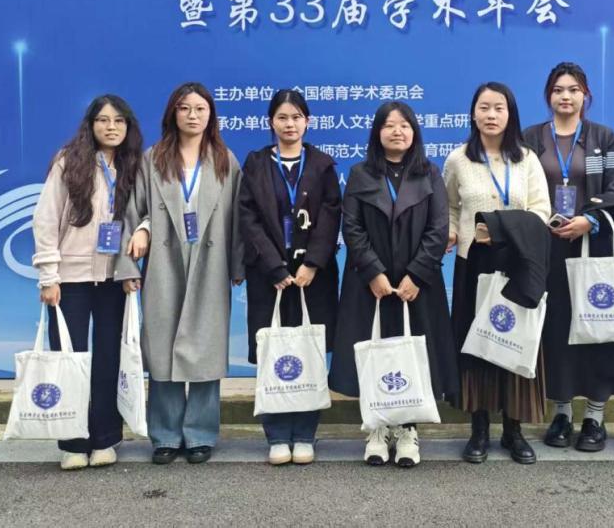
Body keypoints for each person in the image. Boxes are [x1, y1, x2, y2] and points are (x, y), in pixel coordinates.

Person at [115, 82, 244, 465]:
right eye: (185, 108)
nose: (192, 115)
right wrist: (130, 262)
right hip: (164, 261)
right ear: (173, 113)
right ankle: (166, 435)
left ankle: (201, 434)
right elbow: (133, 211)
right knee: (163, 348)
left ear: (211, 115)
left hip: (210, 262)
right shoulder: (153, 159)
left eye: (200, 108)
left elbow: (239, 217)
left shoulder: (224, 159)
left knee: (206, 348)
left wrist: (238, 266)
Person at [329, 101, 457, 468]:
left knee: (412, 357)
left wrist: (416, 274)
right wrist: (374, 272)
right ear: (377, 133)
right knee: (376, 353)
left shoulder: (430, 173)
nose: (397, 131)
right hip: (370, 284)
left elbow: (438, 228)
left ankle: (407, 431)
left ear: (414, 131)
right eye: (389, 125)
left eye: (404, 125)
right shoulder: (360, 174)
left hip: (418, 286)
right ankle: (376, 427)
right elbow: (351, 227)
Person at [522, 62, 614, 453]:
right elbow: (519, 188)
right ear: (548, 95)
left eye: (573, 89)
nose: (565, 96)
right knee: (556, 332)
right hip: (547, 249)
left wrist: (590, 220)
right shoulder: (531, 138)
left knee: (598, 330)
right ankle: (561, 413)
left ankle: (595, 417)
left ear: (585, 95)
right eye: (558, 89)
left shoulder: (604, 137)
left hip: (593, 247)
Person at [32, 94, 144, 470]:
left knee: (109, 360)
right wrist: (49, 276)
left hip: (114, 280)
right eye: (103, 120)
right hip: (70, 280)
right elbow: (46, 219)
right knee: (70, 359)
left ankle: (106, 438)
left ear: (128, 126)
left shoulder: (134, 165)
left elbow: (144, 215)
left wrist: (131, 267)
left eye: (119, 121)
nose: (111, 127)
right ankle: (73, 442)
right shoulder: (69, 161)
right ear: (90, 125)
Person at [445, 82, 551, 464]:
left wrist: (501, 229)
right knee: (478, 344)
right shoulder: (458, 159)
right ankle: (478, 431)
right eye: (484, 107)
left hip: (518, 262)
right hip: (473, 263)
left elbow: (541, 211)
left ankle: (513, 431)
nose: (491, 115)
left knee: (514, 339)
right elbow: (450, 207)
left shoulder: (527, 159)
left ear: (510, 114)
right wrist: (452, 230)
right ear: (473, 113)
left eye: (499, 108)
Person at [239, 89, 342, 466]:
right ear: (271, 122)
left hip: (312, 277)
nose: (289, 124)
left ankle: (306, 433)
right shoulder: (256, 163)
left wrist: (312, 264)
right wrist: (274, 266)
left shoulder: (322, 164)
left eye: (297, 117)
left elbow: (331, 215)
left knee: (308, 352)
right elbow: (247, 217)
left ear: (307, 122)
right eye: (282, 117)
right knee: (275, 351)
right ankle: (277, 434)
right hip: (269, 276)